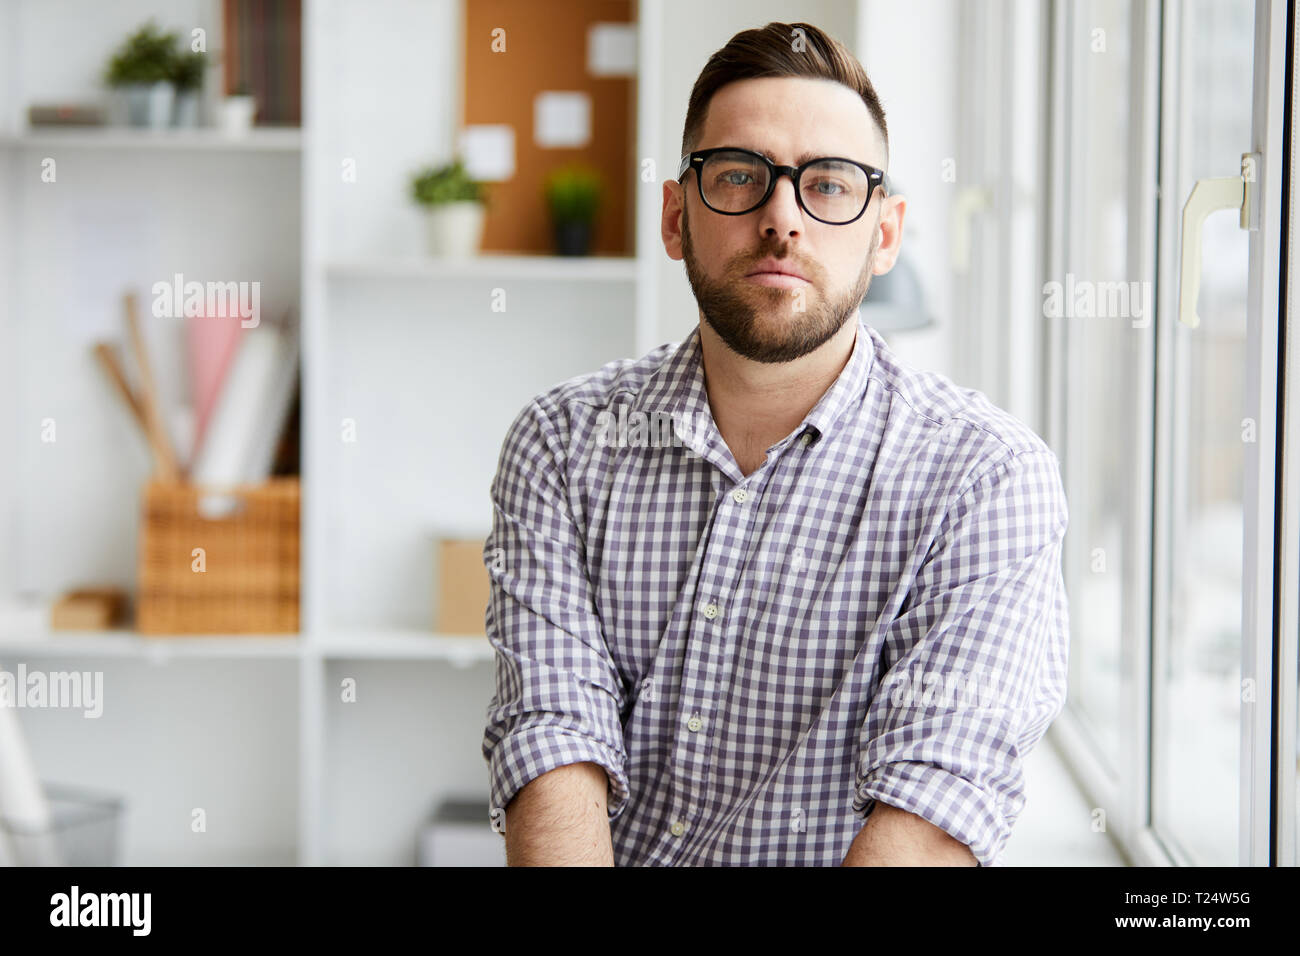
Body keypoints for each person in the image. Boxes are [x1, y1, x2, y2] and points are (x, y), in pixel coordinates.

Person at [481, 20, 1068, 866]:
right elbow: (552, 748)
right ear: (676, 219)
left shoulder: (985, 479)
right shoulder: (562, 445)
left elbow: (930, 815)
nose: (781, 219)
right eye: (739, 177)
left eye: (828, 185)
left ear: (886, 233)